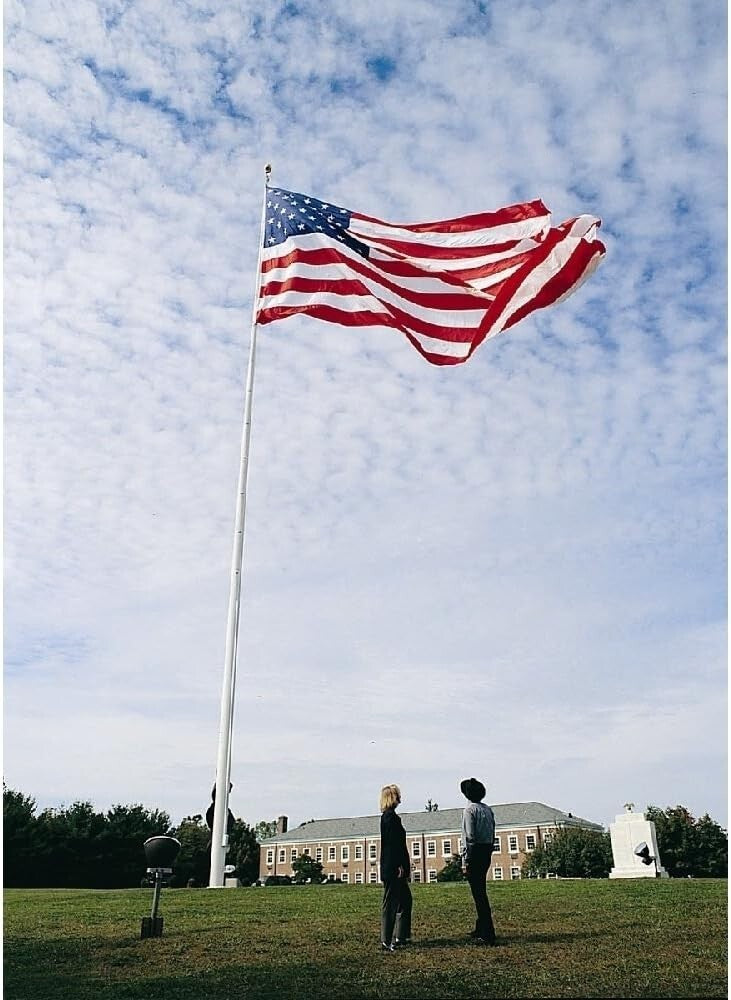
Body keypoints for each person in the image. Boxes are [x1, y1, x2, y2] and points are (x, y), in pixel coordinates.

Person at [460, 777, 497, 945]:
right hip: (486, 851)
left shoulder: (469, 811)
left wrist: (466, 860)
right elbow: (492, 831)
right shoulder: (488, 810)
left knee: (479, 894)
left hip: (475, 852)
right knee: (481, 889)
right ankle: (480, 926)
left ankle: (487, 933)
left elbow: (469, 836)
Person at [379, 783, 412, 952]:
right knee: (391, 903)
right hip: (393, 867)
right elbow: (393, 845)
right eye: (397, 795)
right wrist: (398, 866)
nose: (400, 798)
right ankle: (386, 940)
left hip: (394, 865)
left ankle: (402, 936)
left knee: (405, 901)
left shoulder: (390, 817)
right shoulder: (390, 818)